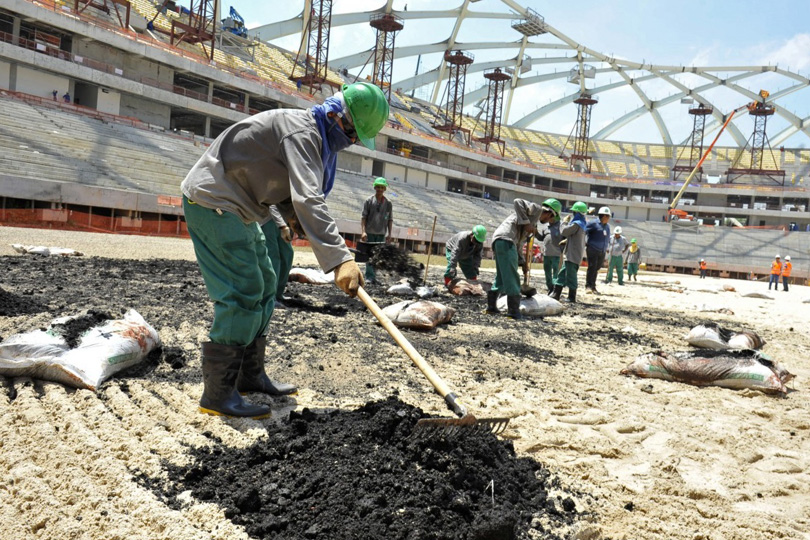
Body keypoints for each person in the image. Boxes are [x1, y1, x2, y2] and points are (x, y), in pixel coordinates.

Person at [180, 81, 389, 418]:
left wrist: (293, 218)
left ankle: (249, 376)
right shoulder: (303, 132)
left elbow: (287, 192)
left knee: (265, 281)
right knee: (244, 289)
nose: (351, 142)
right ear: (338, 117)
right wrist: (340, 260)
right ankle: (217, 395)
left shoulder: (316, 136)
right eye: (351, 134)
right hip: (215, 200)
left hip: (242, 208)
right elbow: (308, 196)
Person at [486, 198, 560, 319]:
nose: (548, 221)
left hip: (500, 241)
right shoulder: (537, 209)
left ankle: (491, 307)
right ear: (549, 212)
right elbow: (517, 201)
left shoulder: (533, 222)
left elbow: (519, 246)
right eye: (550, 218)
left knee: (501, 277)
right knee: (512, 276)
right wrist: (526, 223)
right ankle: (513, 312)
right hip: (506, 239)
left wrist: (523, 263)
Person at [549, 202, 587, 303]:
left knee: (571, 276)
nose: (573, 214)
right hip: (573, 254)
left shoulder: (576, 224)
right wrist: (567, 241)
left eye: (574, 212)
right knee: (562, 274)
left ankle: (571, 297)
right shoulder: (582, 225)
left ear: (577, 213)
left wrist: (564, 222)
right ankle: (556, 294)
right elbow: (575, 238)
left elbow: (564, 231)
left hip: (572, 255)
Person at [360, 176, 393, 285]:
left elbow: (390, 219)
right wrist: (363, 231)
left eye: (382, 187)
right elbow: (364, 217)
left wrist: (389, 234)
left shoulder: (388, 203)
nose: (379, 189)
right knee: (369, 256)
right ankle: (369, 276)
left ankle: (373, 276)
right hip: (370, 233)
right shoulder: (369, 201)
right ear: (375, 187)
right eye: (378, 187)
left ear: (385, 189)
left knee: (377, 257)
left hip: (381, 234)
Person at [261, 206, 294, 308]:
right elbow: (272, 203)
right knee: (273, 256)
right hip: (266, 217)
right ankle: (269, 297)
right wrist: (283, 226)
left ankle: (278, 293)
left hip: (280, 219)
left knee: (288, 253)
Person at [535, 199, 563, 293]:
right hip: (546, 254)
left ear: (554, 215)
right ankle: (550, 288)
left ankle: (555, 290)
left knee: (556, 273)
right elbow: (540, 238)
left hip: (557, 255)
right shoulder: (545, 227)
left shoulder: (561, 226)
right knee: (547, 273)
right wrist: (535, 232)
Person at [584, 206, 611, 294]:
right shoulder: (593, 223)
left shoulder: (607, 227)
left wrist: (606, 248)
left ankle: (593, 286)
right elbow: (583, 231)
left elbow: (607, 238)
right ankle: (588, 286)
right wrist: (585, 242)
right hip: (592, 249)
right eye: (608, 216)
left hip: (602, 251)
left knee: (596, 268)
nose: (608, 218)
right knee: (592, 267)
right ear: (604, 216)